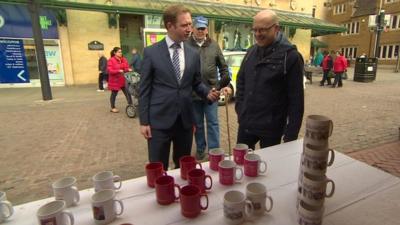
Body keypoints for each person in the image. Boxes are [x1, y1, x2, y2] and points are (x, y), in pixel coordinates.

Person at [139, 5, 220, 170]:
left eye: (190, 24)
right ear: (170, 26)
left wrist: (208, 94)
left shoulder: (193, 53)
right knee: (158, 167)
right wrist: (144, 121)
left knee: (183, 165)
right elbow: (144, 89)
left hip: (185, 121)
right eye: (185, 25)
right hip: (159, 121)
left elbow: (196, 83)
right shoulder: (151, 53)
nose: (190, 29)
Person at [234, 9, 304, 150]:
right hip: (247, 123)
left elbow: (296, 100)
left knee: (270, 168)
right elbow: (241, 81)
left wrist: (291, 135)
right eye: (255, 30)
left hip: (272, 127)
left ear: (276, 28)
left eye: (262, 30)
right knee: (241, 163)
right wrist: (240, 109)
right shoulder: (251, 51)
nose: (257, 34)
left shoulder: (290, 57)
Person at [185, 15, 230, 160]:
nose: (200, 31)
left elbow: (224, 69)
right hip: (193, 94)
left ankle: (214, 151)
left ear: (206, 30)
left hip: (212, 92)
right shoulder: (185, 44)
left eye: (203, 28)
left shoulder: (214, 45)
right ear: (193, 29)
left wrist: (220, 86)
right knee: (197, 124)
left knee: (213, 123)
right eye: (198, 28)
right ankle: (200, 149)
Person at [107, 47, 133, 113]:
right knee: (114, 94)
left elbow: (126, 67)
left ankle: (131, 105)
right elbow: (110, 70)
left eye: (121, 52)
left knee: (127, 92)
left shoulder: (124, 59)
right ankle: (112, 107)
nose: (120, 53)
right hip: (115, 80)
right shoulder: (111, 60)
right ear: (114, 53)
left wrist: (128, 69)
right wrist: (118, 70)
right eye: (119, 52)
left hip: (123, 79)